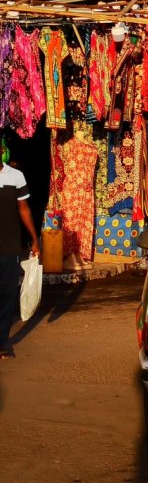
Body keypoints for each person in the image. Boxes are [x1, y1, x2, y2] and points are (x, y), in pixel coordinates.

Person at [1, 142, 41, 360]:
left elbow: (23, 209)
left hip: (9, 245)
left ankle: (1, 343)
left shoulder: (16, 176)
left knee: (7, 294)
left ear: (2, 151)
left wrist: (34, 240)